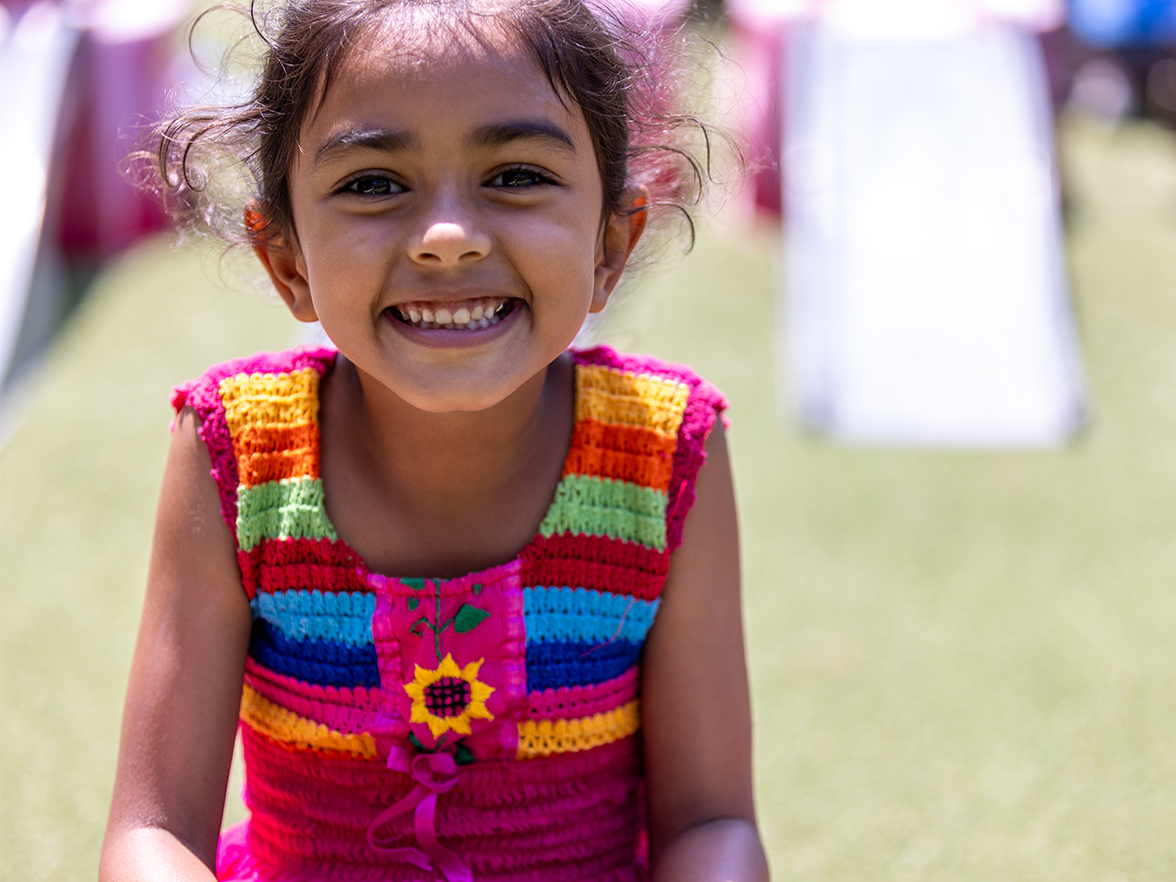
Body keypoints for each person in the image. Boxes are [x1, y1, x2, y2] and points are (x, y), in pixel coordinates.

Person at [100, 1, 768, 880]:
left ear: (612, 243)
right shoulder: (238, 452)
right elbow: (153, 833)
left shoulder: (662, 450)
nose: (448, 238)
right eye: (375, 183)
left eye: (518, 175)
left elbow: (711, 824)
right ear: (288, 260)